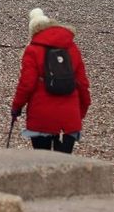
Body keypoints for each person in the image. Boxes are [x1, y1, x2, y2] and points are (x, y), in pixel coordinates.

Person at [10, 8, 92, 154]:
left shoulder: (33, 49)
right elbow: (83, 84)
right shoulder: (72, 47)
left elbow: (27, 84)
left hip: (41, 115)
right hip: (69, 117)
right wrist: (82, 111)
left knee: (43, 162)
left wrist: (16, 107)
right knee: (64, 165)